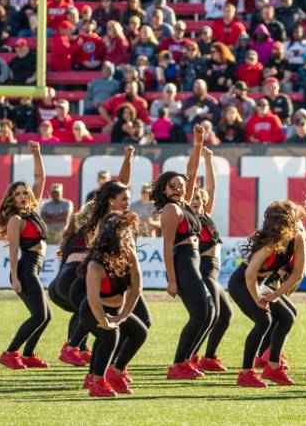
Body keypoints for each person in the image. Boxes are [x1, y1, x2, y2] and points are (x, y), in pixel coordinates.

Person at [58, 150, 135, 369]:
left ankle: (100, 364)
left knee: (113, 324)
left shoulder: (116, 217)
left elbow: (122, 184)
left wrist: (128, 159)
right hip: (87, 278)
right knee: (102, 322)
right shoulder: (106, 220)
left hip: (105, 279)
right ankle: (78, 350)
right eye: (124, 199)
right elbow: (121, 185)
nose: (128, 201)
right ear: (111, 201)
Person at [228, 200, 306, 388]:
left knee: (287, 317)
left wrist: (276, 294)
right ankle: (246, 373)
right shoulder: (271, 243)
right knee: (264, 321)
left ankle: (273, 367)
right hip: (242, 284)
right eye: (295, 218)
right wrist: (258, 299)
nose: (300, 222)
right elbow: (249, 275)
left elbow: (298, 273)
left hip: (261, 283)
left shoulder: (297, 238)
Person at [155, 125, 211, 380]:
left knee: (208, 312)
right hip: (183, 260)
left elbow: (191, 171)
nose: (177, 188)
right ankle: (178, 364)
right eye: (172, 185)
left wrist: (198, 143)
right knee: (202, 312)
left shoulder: (184, 203)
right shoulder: (171, 210)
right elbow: (166, 246)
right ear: (164, 191)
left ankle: (185, 361)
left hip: (193, 259)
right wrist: (172, 280)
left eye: (179, 185)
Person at [78, 211, 146, 397]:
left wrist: (122, 316)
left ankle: (115, 374)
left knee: (139, 332)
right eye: (125, 234)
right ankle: (98, 383)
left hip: (116, 310)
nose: (130, 237)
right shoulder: (96, 264)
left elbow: (137, 288)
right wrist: (106, 321)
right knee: (110, 335)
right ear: (113, 236)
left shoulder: (129, 254)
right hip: (93, 309)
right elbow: (92, 299)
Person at [0, 142, 51, 370]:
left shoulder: (33, 209)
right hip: (25, 269)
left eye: (24, 192)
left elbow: (40, 178)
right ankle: (10, 353)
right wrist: (14, 278)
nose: (21, 196)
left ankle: (28, 354)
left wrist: (36, 153)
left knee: (45, 316)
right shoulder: (16, 220)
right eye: (16, 194)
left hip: (34, 267)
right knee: (40, 315)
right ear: (12, 199)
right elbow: (13, 249)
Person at [190, 147, 231, 373]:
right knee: (211, 315)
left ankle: (209, 357)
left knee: (225, 316)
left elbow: (213, 188)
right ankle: (191, 357)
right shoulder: (188, 219)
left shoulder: (206, 214)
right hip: (204, 270)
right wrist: (198, 156)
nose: (196, 201)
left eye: (198, 198)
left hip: (214, 271)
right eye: (192, 199)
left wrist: (209, 160)